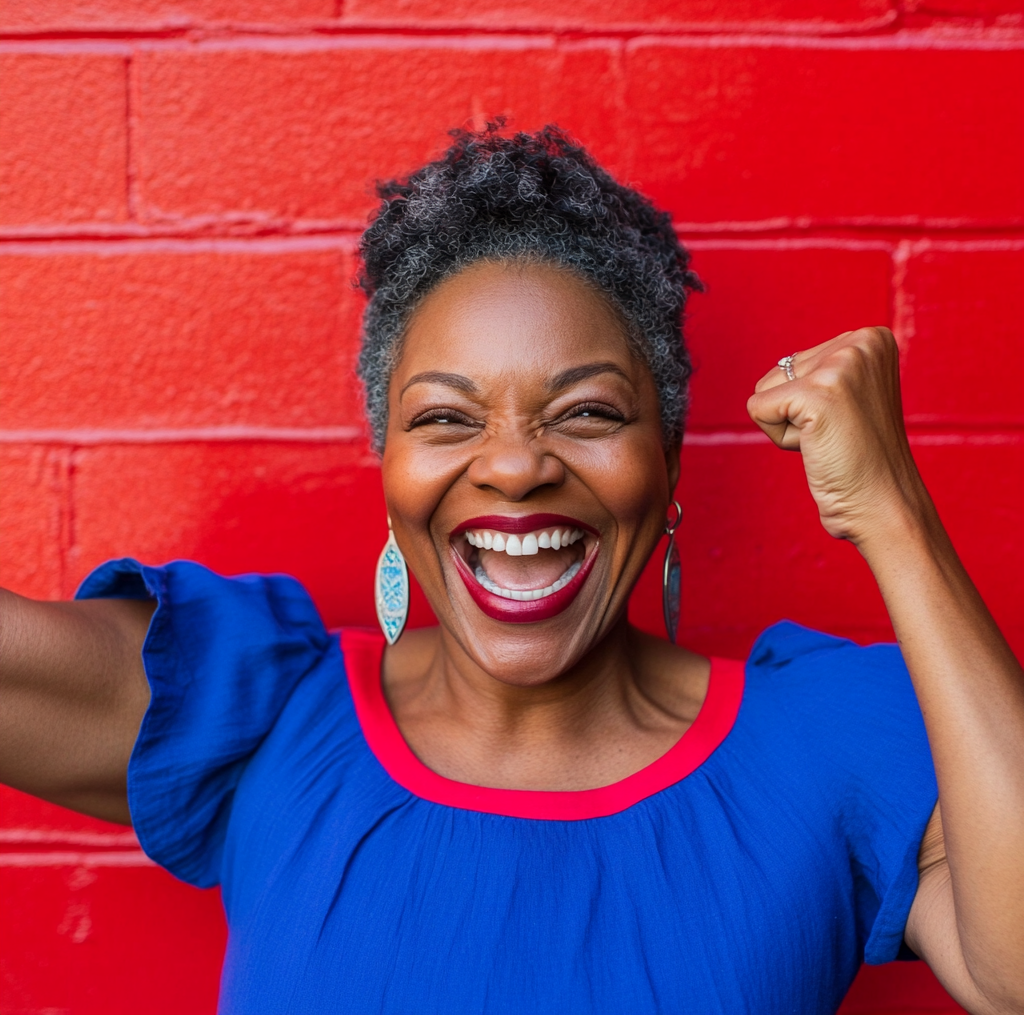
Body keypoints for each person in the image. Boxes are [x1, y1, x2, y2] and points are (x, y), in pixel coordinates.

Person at [1, 126, 1022, 1015]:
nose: (513, 465)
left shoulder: (821, 748)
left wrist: (889, 511)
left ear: (665, 463)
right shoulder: (267, 715)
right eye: (446, 418)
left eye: (586, 413)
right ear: (390, 468)